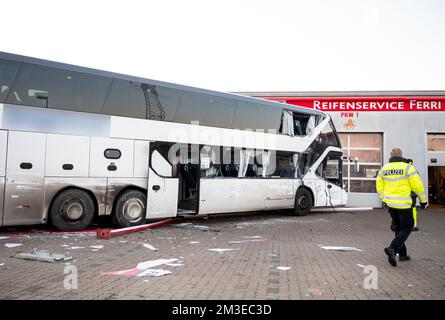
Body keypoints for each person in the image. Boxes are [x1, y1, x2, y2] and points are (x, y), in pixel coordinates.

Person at [376, 148, 428, 267]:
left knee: (399, 228)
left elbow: (379, 186)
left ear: (391, 156)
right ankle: (392, 248)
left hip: (391, 205)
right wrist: (423, 201)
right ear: (401, 155)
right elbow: (418, 186)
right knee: (407, 227)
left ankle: (403, 255)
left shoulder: (384, 169)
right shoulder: (408, 168)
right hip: (404, 204)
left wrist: (385, 199)